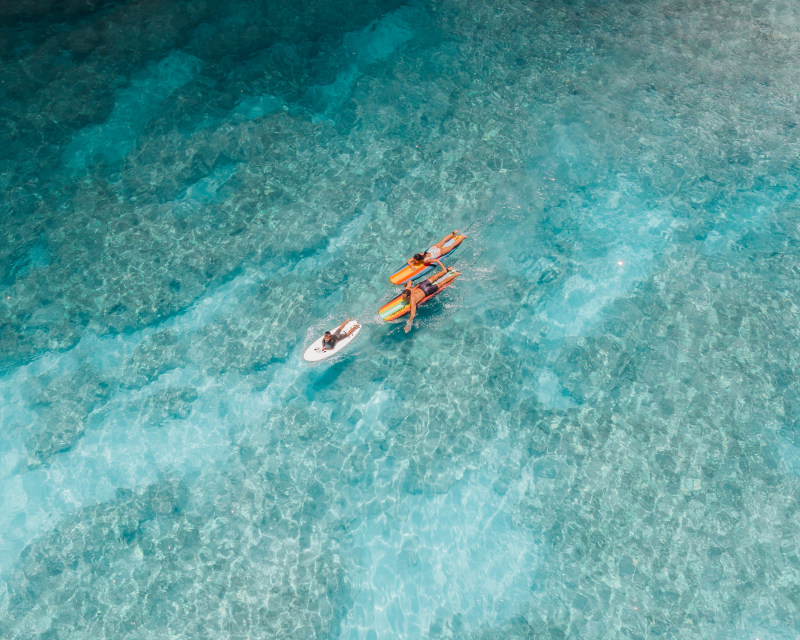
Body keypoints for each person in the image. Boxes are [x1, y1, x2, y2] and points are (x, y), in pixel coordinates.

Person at [402, 263, 452, 332]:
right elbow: (409, 281)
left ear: (409, 296)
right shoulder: (407, 289)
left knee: (441, 283)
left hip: (427, 291)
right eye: (403, 296)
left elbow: (412, 315)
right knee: (435, 277)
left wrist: (408, 326)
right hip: (422, 285)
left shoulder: (412, 301)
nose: (403, 298)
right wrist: (405, 285)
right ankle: (447, 270)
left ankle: (454, 274)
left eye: (404, 297)